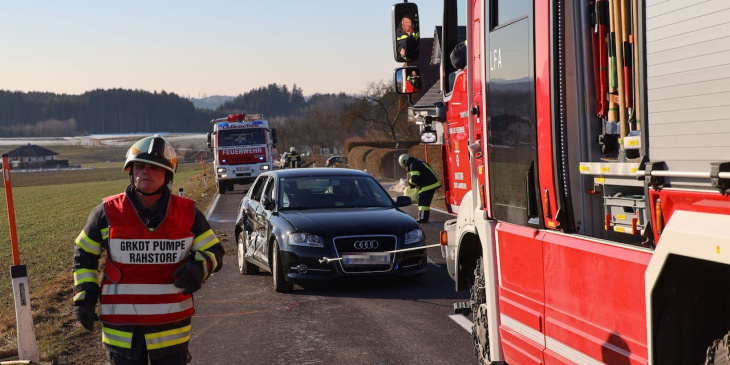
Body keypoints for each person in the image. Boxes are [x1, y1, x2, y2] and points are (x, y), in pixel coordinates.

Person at [72, 135, 225, 365]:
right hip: (122, 333)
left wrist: (199, 267)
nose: (146, 172)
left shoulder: (188, 213)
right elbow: (84, 253)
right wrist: (84, 297)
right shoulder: (106, 213)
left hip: (171, 332)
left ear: (167, 175)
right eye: (140, 166)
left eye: (154, 167)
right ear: (131, 170)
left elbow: (214, 251)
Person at [398, 153, 442, 223]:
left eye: (405, 165)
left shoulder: (414, 165)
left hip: (427, 185)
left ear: (405, 161)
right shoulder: (416, 162)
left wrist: (410, 184)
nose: (406, 167)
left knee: (422, 203)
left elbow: (415, 178)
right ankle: (425, 218)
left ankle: (422, 219)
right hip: (430, 184)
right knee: (425, 203)